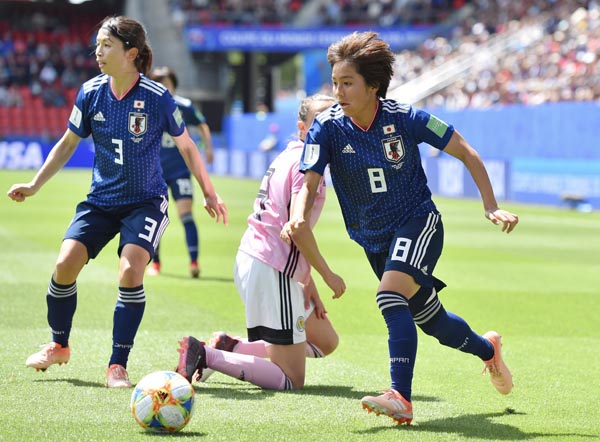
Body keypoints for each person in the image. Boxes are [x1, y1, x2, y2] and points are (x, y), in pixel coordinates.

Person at [281, 31, 518, 425]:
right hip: (374, 240)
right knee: (433, 322)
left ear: (373, 85)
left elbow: (465, 151)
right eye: (335, 83)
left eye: (348, 83)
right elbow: (307, 183)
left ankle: (400, 398)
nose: (338, 92)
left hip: (418, 221)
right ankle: (488, 350)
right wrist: (298, 215)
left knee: (389, 296)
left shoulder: (405, 118)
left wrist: (490, 205)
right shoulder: (326, 127)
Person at [6, 16, 228, 388]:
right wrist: (34, 184)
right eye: (97, 44)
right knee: (64, 265)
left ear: (131, 53)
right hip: (101, 200)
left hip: (145, 202)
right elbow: (67, 144)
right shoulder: (90, 92)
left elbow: (187, 145)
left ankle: (117, 365)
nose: (98, 52)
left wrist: (208, 191)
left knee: (130, 271)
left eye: (106, 45)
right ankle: (59, 345)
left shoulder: (157, 97)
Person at [176, 94, 346, 390]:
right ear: (303, 128)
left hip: (260, 259)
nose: (330, 127)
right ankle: (206, 355)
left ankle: (231, 346)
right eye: (321, 120)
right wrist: (327, 275)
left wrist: (307, 281)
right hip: (271, 268)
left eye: (336, 120)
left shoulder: (291, 154)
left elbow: (283, 223)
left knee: (325, 340)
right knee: (292, 378)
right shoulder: (306, 166)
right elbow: (297, 229)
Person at [147, 66, 215, 278]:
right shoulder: (147, 105)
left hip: (179, 170)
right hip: (154, 171)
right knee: (154, 217)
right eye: (158, 83)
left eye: (166, 83)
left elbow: (202, 124)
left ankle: (194, 262)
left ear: (173, 85)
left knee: (186, 215)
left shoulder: (184, 105)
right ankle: (156, 263)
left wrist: (208, 148)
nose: (163, 87)